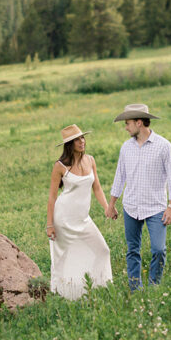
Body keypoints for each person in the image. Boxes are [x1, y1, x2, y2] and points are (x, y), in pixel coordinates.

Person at [109, 103, 171, 291]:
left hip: (155, 207)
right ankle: (135, 289)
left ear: (139, 123)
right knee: (133, 250)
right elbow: (119, 176)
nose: (126, 127)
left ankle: (154, 286)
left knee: (159, 249)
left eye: (128, 123)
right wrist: (112, 204)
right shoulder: (126, 148)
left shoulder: (163, 146)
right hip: (131, 207)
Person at [46, 124, 117, 299]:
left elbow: (97, 188)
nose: (81, 141)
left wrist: (107, 208)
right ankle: (63, 293)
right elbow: (52, 197)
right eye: (76, 139)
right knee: (63, 257)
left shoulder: (90, 160)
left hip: (83, 219)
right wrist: (50, 224)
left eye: (82, 138)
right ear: (69, 144)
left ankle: (99, 288)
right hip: (64, 218)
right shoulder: (60, 166)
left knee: (103, 250)